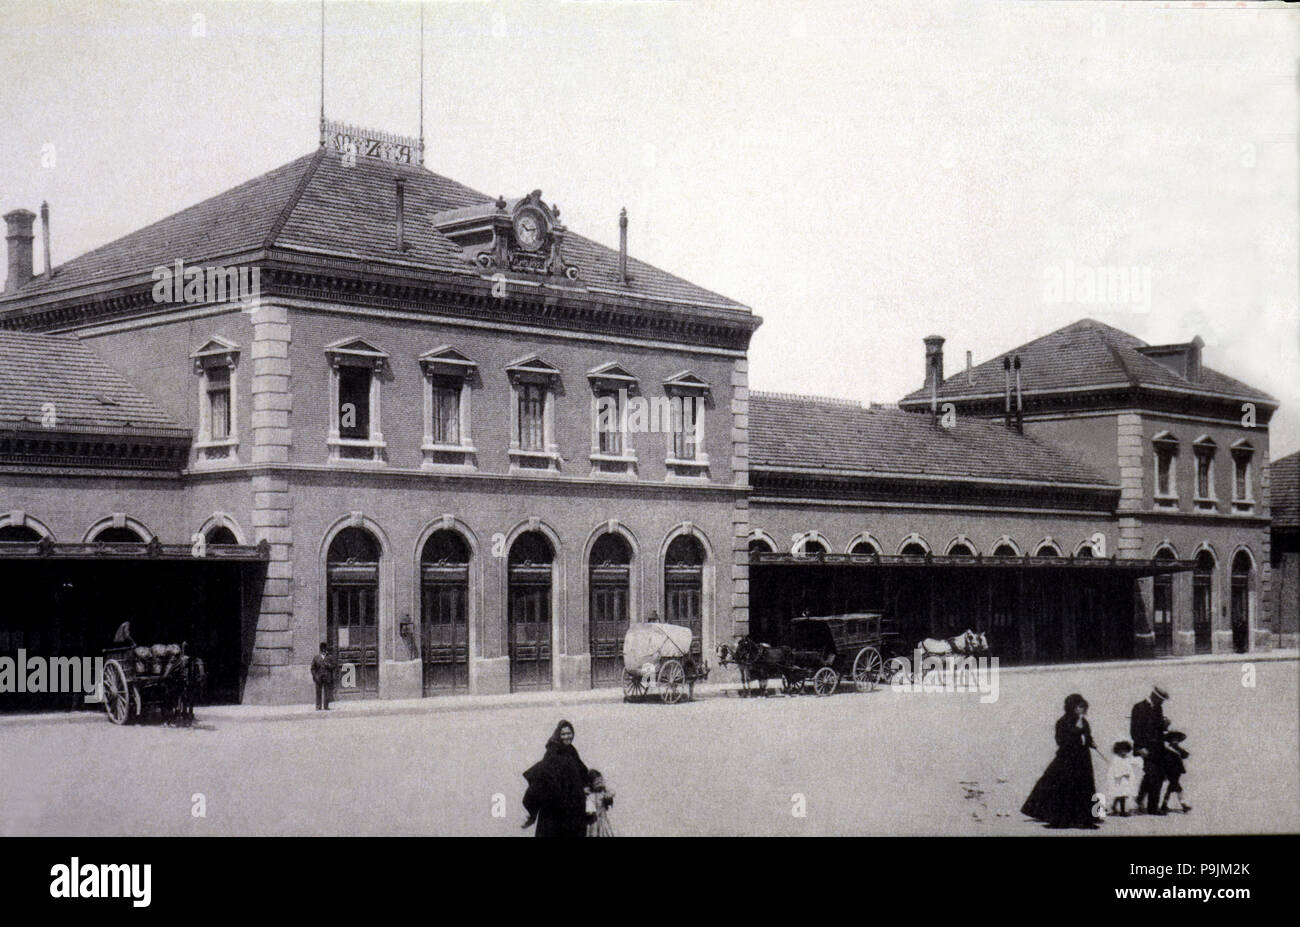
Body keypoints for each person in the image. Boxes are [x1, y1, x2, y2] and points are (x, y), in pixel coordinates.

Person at [1021, 693, 1101, 829]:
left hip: (1082, 760)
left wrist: (1090, 742)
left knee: (1084, 787)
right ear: (1072, 707)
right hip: (1066, 760)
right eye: (1079, 707)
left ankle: (1084, 817)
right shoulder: (1063, 722)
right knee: (1063, 787)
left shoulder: (1084, 721)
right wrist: (1078, 729)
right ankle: (1061, 817)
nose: (1082, 710)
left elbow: (1087, 737)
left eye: (1083, 707)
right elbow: (1061, 741)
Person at [521, 720, 589, 837]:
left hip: (572, 809)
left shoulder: (571, 751)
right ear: (558, 735)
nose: (567, 737)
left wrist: (594, 783)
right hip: (554, 811)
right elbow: (541, 779)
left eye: (569, 733)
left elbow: (582, 772)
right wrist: (532, 810)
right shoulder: (552, 753)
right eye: (563, 734)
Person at [1131, 684, 1170, 815]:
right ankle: (1152, 808)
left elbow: (1158, 728)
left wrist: (1165, 725)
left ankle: (1142, 800)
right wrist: (1140, 747)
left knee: (1155, 775)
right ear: (1154, 696)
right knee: (1154, 775)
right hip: (1146, 748)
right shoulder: (1139, 707)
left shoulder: (1158, 708)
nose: (1162, 702)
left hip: (1159, 748)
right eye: (1161, 699)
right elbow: (1134, 730)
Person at [1160, 729, 1191, 814]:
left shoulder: (1178, 748)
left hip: (1178, 771)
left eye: (1177, 739)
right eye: (1173, 739)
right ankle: (1183, 804)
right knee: (1177, 787)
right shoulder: (1167, 749)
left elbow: (1185, 755)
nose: (1175, 741)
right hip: (1170, 771)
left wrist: (1179, 749)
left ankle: (1164, 804)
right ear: (1169, 741)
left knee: (1171, 787)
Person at [1108, 741, 1138, 817]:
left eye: (1125, 751)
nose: (1124, 753)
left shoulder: (1127, 759)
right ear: (1118, 751)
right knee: (1121, 795)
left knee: (1122, 795)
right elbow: (1115, 770)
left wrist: (1129, 774)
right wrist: (1121, 774)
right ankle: (1122, 811)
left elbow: (1129, 766)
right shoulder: (1116, 759)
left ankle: (1114, 807)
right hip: (1119, 780)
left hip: (1125, 780)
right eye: (1122, 751)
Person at [584, 768, 616, 838]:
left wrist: (605, 789)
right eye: (597, 783)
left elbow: (612, 793)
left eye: (600, 782)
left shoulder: (602, 794)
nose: (599, 785)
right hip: (592, 823)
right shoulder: (590, 795)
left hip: (602, 822)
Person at [310, 642, 335, 711]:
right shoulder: (316, 658)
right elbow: (312, 668)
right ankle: (318, 706)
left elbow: (334, 666)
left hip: (327, 677)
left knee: (327, 692)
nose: (323, 650)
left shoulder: (330, 657)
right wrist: (315, 676)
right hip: (319, 678)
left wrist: (328, 665)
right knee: (318, 692)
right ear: (320, 650)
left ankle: (326, 706)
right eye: (322, 649)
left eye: (325, 649)